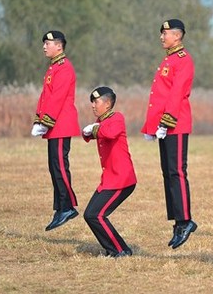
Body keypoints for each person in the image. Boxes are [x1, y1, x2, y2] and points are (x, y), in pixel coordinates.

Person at [141, 19, 197, 249]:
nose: (162, 37)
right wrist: (151, 126)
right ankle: (177, 221)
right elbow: (159, 96)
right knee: (168, 173)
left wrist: (166, 122)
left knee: (177, 172)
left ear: (178, 35)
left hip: (176, 123)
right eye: (162, 33)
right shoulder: (169, 59)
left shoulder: (183, 60)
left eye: (165, 33)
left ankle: (185, 221)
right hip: (165, 125)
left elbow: (176, 93)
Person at [32, 30, 81, 231]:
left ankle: (67, 207)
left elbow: (58, 97)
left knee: (60, 166)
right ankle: (60, 207)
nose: (44, 46)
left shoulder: (64, 67)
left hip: (60, 124)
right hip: (54, 125)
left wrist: (47, 121)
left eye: (48, 43)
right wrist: (38, 118)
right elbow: (45, 96)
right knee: (54, 166)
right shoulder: (54, 67)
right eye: (44, 43)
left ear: (59, 46)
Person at [82, 87, 136, 257]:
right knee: (90, 214)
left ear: (107, 104)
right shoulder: (102, 121)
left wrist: (93, 130)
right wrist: (88, 132)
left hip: (121, 180)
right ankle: (120, 249)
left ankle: (119, 251)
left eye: (95, 102)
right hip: (109, 180)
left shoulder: (116, 118)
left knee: (96, 215)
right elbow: (90, 135)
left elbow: (110, 133)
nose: (92, 105)